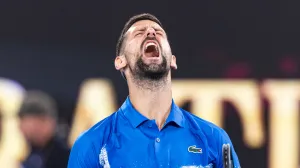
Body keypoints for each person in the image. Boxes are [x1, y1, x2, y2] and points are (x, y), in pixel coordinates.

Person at [68, 13, 241, 168]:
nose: (151, 32)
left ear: (172, 60)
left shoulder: (214, 139)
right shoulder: (92, 144)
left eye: (158, 32)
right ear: (120, 61)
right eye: (139, 33)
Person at [19, 90, 70, 168]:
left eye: (42, 121)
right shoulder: (12, 150)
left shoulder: (64, 154)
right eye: (33, 124)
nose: (36, 129)